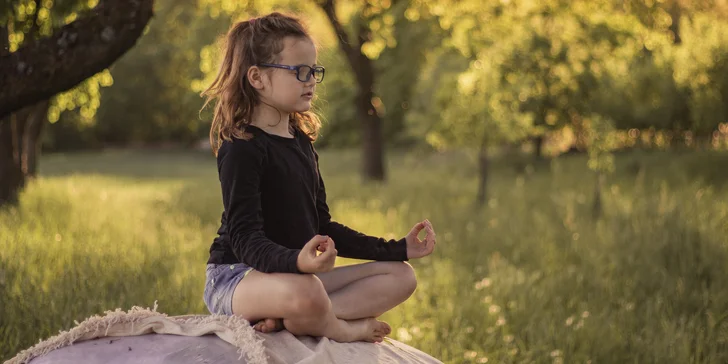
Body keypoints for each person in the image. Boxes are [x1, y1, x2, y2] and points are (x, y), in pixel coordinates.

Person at [199, 12, 437, 344]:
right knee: (308, 290)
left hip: (294, 279)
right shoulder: (242, 148)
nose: (311, 80)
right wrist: (297, 261)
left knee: (401, 276)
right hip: (238, 278)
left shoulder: (300, 142)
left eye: (314, 71)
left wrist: (397, 248)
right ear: (257, 77)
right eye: (300, 71)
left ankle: (293, 320)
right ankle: (339, 327)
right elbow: (244, 238)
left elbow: (322, 225)